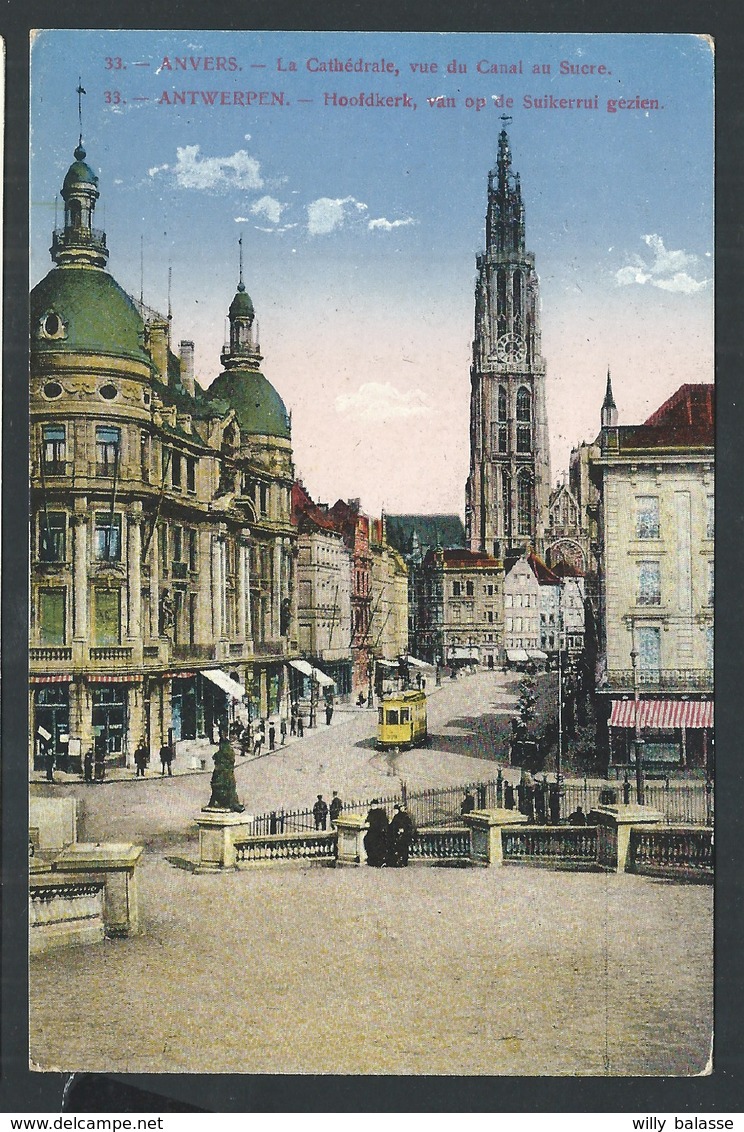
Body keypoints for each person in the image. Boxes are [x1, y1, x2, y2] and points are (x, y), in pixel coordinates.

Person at [388, 803, 415, 867]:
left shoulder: (406, 816)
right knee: (398, 848)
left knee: (403, 848)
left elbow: (409, 826)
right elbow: (392, 826)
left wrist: (403, 830)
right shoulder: (396, 817)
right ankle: (399, 861)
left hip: (404, 835)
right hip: (396, 835)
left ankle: (403, 861)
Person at [364, 800, 389, 867]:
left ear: (377, 805)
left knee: (377, 846)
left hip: (379, 832)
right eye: (372, 805)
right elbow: (368, 819)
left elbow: (384, 822)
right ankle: (371, 860)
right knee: (367, 841)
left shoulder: (380, 813)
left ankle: (379, 861)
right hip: (372, 831)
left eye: (374, 805)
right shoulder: (370, 812)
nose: (373, 806)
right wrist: (367, 822)